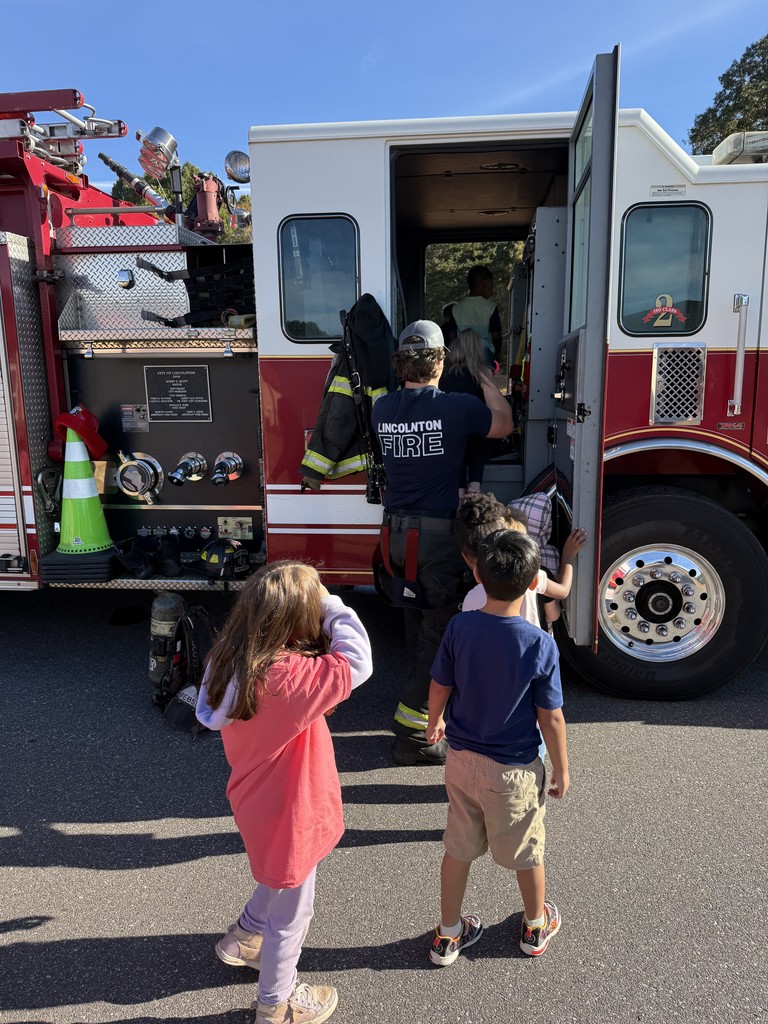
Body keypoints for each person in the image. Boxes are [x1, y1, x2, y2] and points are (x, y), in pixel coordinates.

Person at [195, 561, 373, 1024]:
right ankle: (276, 1002)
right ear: (299, 619)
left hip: (258, 802)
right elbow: (358, 661)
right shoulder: (290, 678)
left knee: (278, 873)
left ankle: (244, 937)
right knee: (294, 912)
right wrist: (330, 605)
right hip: (295, 807)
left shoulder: (231, 657)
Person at [372, 319, 513, 767]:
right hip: (435, 541)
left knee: (417, 625)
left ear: (400, 364)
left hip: (395, 538)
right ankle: (412, 738)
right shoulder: (456, 407)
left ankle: (420, 718)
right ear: (439, 361)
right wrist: (487, 378)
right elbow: (504, 425)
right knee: (437, 634)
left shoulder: (382, 409)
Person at [426, 529, 570, 965]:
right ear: (532, 584)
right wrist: (562, 770)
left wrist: (435, 721)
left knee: (458, 848)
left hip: (461, 760)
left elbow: (440, 683)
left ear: (478, 575)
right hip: (514, 770)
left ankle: (448, 935)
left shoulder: (460, 626)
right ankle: (533, 926)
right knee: (526, 851)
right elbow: (552, 717)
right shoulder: (539, 643)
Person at [458, 492, 588, 629]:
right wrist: (568, 555)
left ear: (475, 571)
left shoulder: (470, 600)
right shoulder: (532, 573)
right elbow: (555, 611)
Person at [439, 328, 492, 496]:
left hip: (449, 432)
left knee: (457, 444)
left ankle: (460, 492)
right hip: (476, 437)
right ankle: (475, 487)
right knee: (480, 434)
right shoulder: (481, 375)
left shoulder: (444, 374)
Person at [450, 265, 502, 365]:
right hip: (484, 352)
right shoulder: (491, 307)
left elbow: (452, 336)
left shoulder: (456, 308)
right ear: (485, 284)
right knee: (483, 379)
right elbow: (496, 336)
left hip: (462, 353)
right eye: (492, 284)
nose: (492, 288)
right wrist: (497, 354)